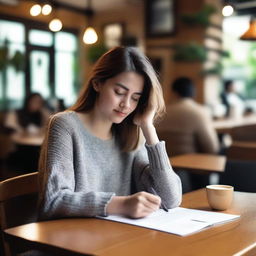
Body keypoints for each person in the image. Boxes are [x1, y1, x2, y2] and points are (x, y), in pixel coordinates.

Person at [38, 46, 182, 220]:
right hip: (71, 238)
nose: (126, 105)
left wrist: (148, 127)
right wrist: (121, 204)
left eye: (136, 98)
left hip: (115, 239)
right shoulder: (65, 125)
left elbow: (171, 199)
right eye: (119, 92)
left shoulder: (133, 134)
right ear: (97, 83)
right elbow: (53, 201)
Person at [157, 77, 219, 191]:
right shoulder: (199, 112)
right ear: (193, 93)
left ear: (173, 93)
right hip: (194, 173)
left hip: (164, 171)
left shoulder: (161, 113)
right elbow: (212, 148)